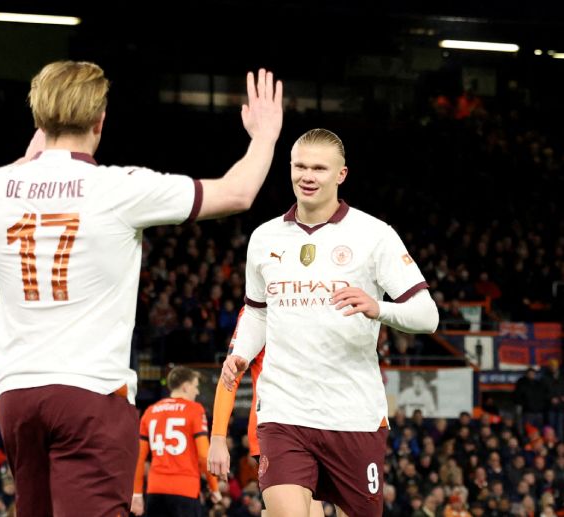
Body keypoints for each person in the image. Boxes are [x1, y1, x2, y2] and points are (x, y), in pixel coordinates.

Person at [0, 60, 283, 516]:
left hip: (16, 398)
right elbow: (237, 193)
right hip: (90, 396)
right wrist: (265, 136)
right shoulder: (118, 187)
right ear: (99, 121)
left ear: (38, 120)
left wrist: (29, 160)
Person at [221, 129, 439, 517]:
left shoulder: (374, 235)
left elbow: (428, 316)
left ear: (341, 174)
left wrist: (379, 309)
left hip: (353, 414)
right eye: (300, 166)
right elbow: (258, 311)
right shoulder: (263, 237)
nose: (308, 175)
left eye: (319, 168)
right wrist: (240, 353)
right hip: (283, 411)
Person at [208, 308, 325, 517]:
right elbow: (230, 374)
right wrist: (218, 438)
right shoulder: (260, 309)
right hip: (275, 430)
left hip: (317, 427)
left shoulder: (319, 299)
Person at [131, 366, 220, 516]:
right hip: (185, 490)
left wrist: (137, 493)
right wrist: (214, 487)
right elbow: (204, 455)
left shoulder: (150, 411)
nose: (197, 392)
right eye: (195, 386)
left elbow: (139, 458)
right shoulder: (195, 410)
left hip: (155, 490)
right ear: (185, 387)